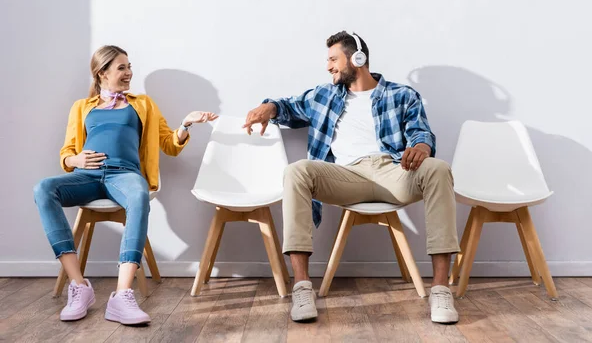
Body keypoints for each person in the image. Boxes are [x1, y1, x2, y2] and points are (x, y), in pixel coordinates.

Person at [244, 31, 460, 324]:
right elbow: (288, 107)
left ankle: (440, 290)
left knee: (438, 168)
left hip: (394, 172)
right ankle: (303, 288)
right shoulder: (324, 95)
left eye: (333, 59)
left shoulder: (402, 95)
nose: (328, 66)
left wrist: (422, 146)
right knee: (296, 171)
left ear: (357, 58)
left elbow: (421, 131)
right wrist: (269, 107)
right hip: (345, 175)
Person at [33, 45, 218, 325]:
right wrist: (76, 159)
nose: (129, 72)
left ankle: (122, 295)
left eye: (129, 66)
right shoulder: (82, 107)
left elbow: (169, 144)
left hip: (125, 175)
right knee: (44, 188)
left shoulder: (142, 104)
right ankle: (79, 286)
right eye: (122, 68)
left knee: (139, 193)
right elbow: (66, 153)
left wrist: (186, 124)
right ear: (102, 73)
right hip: (88, 177)